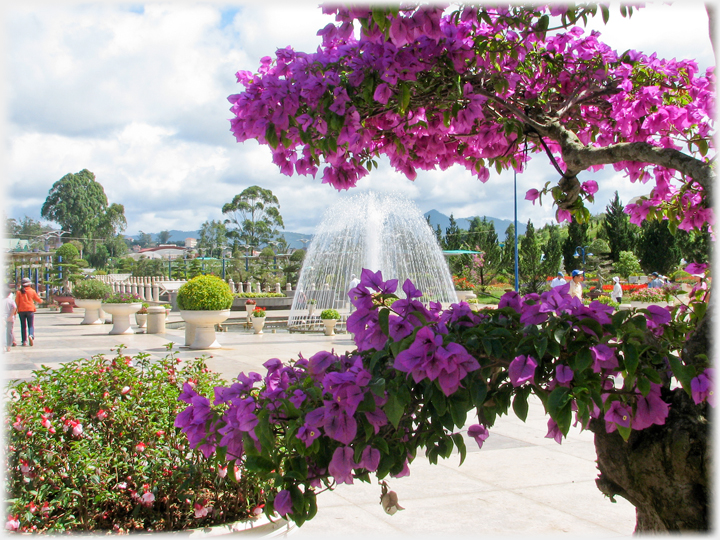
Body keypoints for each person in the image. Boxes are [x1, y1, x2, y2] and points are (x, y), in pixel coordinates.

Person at [15, 277, 42, 346]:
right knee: (31, 325)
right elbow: (37, 299)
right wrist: (41, 301)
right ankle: (31, 335)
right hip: (30, 310)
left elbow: (16, 302)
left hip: (21, 310)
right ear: (29, 284)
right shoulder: (32, 291)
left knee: (23, 326)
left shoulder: (19, 292)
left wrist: (15, 311)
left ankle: (24, 341)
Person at [4, 282, 17, 352]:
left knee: (3, 332)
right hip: (10, 318)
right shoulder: (11, 300)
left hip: (3, 318)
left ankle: (3, 346)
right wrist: (12, 315)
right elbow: (15, 307)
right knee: (9, 332)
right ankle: (9, 346)